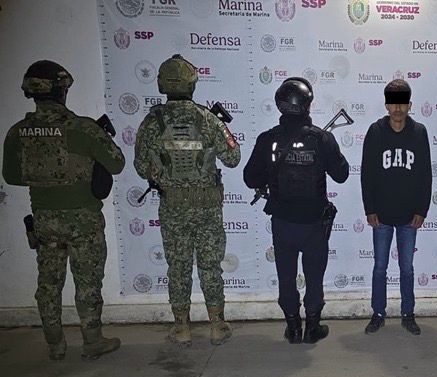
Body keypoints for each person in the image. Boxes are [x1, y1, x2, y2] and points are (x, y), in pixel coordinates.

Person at [2, 60, 125, 360]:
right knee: (88, 283)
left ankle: (55, 345)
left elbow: (12, 176)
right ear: (62, 90)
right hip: (83, 221)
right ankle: (93, 342)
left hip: (45, 221)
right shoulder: (83, 129)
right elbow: (117, 164)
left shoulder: (18, 133)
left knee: (48, 284)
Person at [134, 54, 241, 346]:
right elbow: (233, 158)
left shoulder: (152, 121)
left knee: (178, 268)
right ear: (192, 84)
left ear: (162, 85)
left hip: (173, 208)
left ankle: (181, 328)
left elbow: (141, 167)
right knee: (210, 266)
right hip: (206, 208)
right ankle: (217, 325)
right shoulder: (207, 119)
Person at [244, 77, 349, 344]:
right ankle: (312, 328)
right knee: (314, 276)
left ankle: (293, 328)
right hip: (314, 224)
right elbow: (342, 175)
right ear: (307, 104)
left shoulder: (268, 139)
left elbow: (250, 178)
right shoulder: (321, 138)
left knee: (286, 276)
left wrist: (271, 172)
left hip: (283, 223)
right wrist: (326, 150)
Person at [361, 79, 432, 336]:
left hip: (409, 216)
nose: (398, 108)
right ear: (386, 105)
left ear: (410, 105)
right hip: (381, 214)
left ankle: (407, 313)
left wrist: (422, 210)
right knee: (380, 267)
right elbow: (367, 174)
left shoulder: (419, 132)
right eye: (393, 104)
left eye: (402, 103)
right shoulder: (375, 131)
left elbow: (425, 175)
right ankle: (378, 313)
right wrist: (369, 208)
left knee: (407, 269)